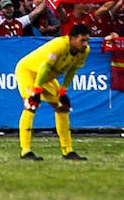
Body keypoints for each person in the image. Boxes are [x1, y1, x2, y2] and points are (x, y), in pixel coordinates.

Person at [15, 24, 91, 161]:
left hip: (47, 76)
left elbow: (72, 71)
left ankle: (68, 151)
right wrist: (37, 90)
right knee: (31, 105)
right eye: (82, 40)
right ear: (72, 39)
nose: (85, 44)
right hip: (29, 71)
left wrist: (63, 91)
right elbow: (44, 67)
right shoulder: (59, 45)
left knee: (62, 108)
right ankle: (25, 151)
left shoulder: (84, 51)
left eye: (87, 40)